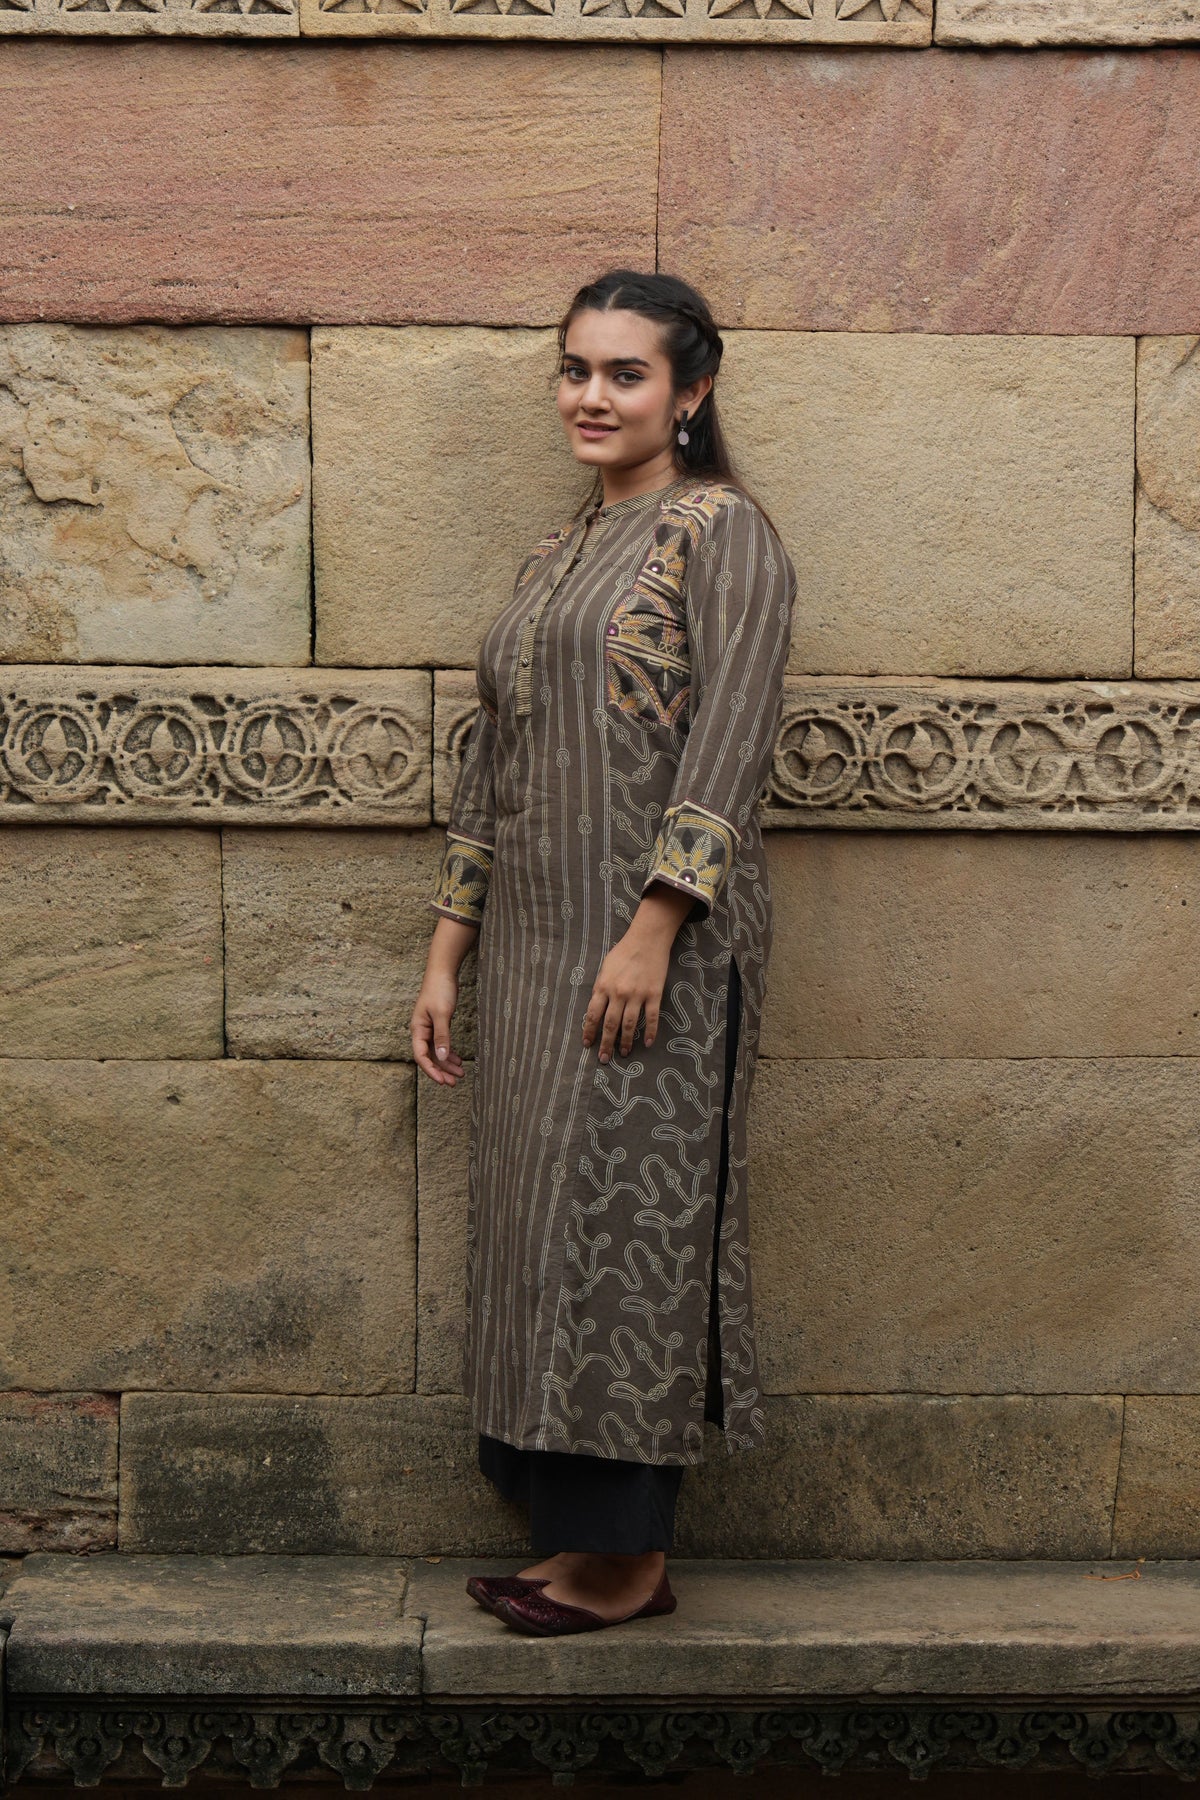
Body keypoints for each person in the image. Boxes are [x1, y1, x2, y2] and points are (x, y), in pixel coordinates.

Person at [410, 268, 796, 1637]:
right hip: (531, 951)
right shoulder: (559, 551)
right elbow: (495, 763)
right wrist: (450, 951)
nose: (591, 395)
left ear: (692, 392)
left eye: (625, 373)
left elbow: (732, 739)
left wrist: (655, 930)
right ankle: (575, 1540)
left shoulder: (723, 534)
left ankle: (628, 1564)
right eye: (575, 368)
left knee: (628, 1231)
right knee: (540, 1230)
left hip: (653, 954)